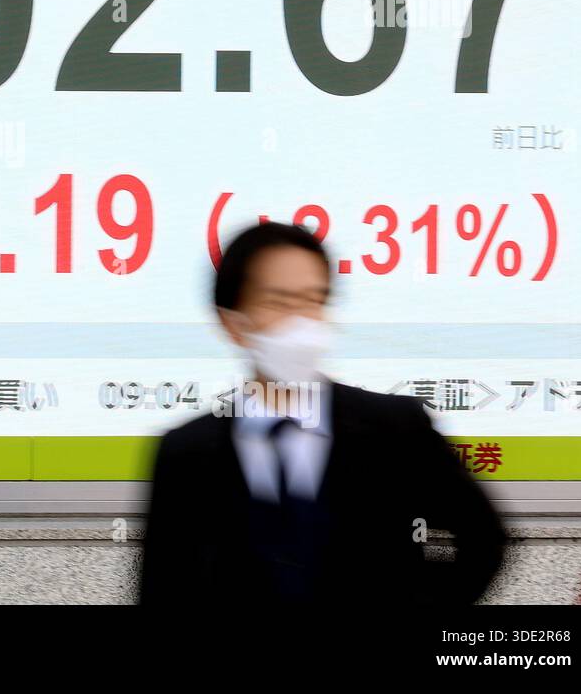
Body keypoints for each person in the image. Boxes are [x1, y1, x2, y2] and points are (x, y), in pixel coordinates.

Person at [139, 221, 505, 605]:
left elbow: (482, 538)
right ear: (232, 322)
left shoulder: (396, 429)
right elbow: (162, 587)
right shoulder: (186, 454)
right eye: (277, 303)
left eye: (313, 301)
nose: (300, 323)